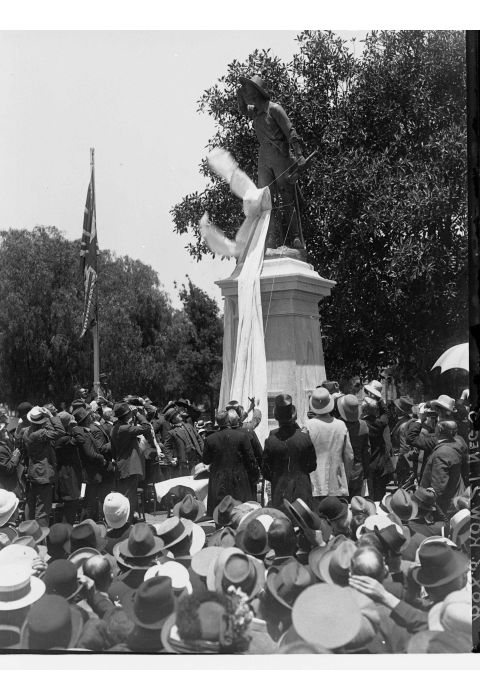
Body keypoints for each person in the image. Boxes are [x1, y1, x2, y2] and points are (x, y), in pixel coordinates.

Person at [236, 74, 306, 251]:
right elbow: (243, 110)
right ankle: (271, 239)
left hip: (280, 155)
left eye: (248, 90)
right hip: (264, 158)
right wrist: (239, 95)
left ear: (257, 93)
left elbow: (291, 131)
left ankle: (296, 237)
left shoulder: (274, 109)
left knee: (286, 196)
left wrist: (298, 154)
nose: (246, 93)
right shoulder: (255, 112)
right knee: (264, 198)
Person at [261, 394, 316, 508]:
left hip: (280, 495)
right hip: (303, 493)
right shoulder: (304, 438)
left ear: (276, 417)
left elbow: (265, 472)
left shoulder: (270, 442)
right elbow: (312, 465)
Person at [202, 410, 258, 516]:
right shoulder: (241, 436)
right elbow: (251, 459)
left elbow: (206, 460)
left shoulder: (210, 439)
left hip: (218, 481)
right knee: (240, 513)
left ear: (217, 422)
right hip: (239, 480)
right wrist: (254, 477)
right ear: (229, 420)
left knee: (220, 512)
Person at [304, 387, 353, 501]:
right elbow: (349, 456)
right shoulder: (341, 425)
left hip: (314, 483)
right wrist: (345, 478)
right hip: (337, 483)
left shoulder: (307, 426)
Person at [110, 402, 152, 521]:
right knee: (130, 495)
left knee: (125, 494)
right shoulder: (125, 428)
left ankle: (127, 518)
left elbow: (113, 450)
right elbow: (146, 427)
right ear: (127, 415)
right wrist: (138, 414)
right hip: (129, 466)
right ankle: (127, 520)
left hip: (121, 465)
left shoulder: (115, 428)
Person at [22, 406, 64, 528]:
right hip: (43, 474)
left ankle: (28, 530)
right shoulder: (40, 433)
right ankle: (40, 538)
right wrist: (51, 416)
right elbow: (60, 432)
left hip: (33, 471)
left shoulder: (26, 431)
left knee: (31, 504)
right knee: (43, 510)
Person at [419, 421, 466, 517]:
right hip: (456, 498)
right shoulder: (456, 444)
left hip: (444, 507)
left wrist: (426, 505)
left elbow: (438, 487)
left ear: (439, 430)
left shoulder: (442, 453)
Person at [71, 406, 108, 521]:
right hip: (90, 473)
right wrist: (102, 458)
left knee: (90, 500)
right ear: (85, 419)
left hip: (91, 473)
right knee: (90, 503)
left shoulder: (85, 432)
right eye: (88, 416)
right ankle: (86, 525)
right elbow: (90, 453)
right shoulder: (83, 434)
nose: (90, 418)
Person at [361, 383, 393, 501]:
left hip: (367, 466)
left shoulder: (361, 425)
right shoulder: (380, 424)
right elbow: (385, 413)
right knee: (380, 496)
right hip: (380, 464)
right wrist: (378, 399)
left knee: (369, 497)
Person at [336, 394, 370, 498]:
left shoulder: (338, 425)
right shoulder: (363, 425)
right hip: (357, 469)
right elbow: (367, 452)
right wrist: (366, 472)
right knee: (356, 501)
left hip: (340, 469)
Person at [54, 411, 85, 525]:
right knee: (71, 505)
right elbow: (81, 440)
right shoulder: (64, 439)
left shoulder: (63, 437)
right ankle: (66, 532)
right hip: (68, 477)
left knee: (71, 505)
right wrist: (76, 427)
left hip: (69, 475)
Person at [163, 406, 204, 478]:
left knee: (199, 478)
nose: (179, 414)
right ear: (173, 419)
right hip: (184, 461)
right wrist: (171, 459)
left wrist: (203, 451)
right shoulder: (171, 432)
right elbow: (166, 447)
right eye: (177, 414)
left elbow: (199, 439)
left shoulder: (189, 426)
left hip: (197, 457)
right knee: (187, 480)